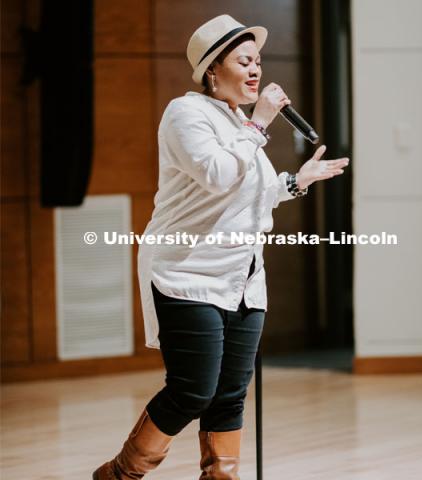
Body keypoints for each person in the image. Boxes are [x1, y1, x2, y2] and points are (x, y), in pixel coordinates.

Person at [93, 14, 349, 480]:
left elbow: (252, 194)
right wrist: (260, 124)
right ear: (213, 70)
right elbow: (216, 176)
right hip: (187, 272)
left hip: (243, 278)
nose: (256, 70)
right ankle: (119, 475)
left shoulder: (238, 121)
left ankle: (221, 476)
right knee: (193, 390)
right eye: (244, 61)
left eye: (259, 61)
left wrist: (295, 182)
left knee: (230, 392)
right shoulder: (186, 113)